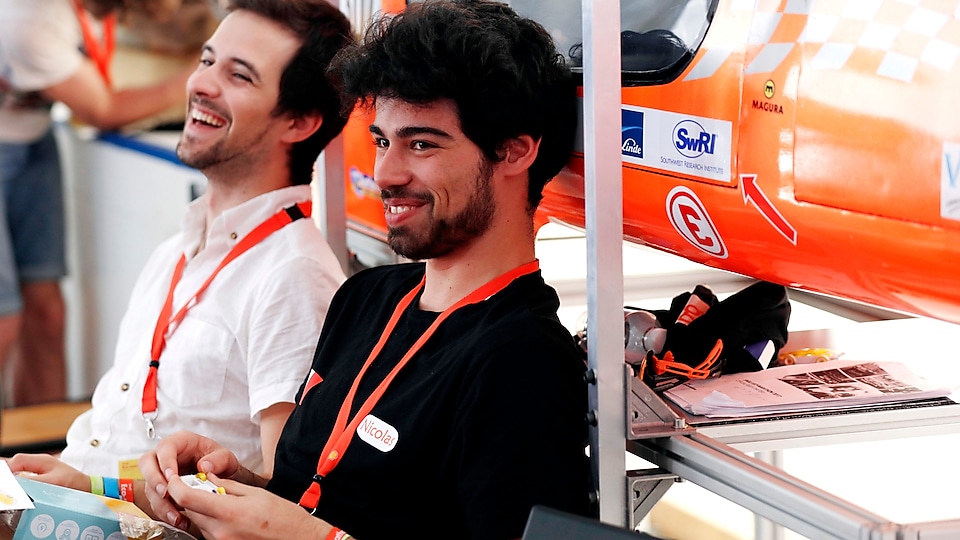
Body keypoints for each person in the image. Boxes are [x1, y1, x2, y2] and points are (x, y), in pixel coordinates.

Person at [138, 1, 592, 538]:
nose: (385, 172)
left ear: (514, 152)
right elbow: (321, 501)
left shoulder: (522, 359)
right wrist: (236, 486)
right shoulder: (367, 296)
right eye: (381, 141)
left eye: (421, 144)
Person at [8, 0, 351, 498]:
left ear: (298, 122)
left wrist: (88, 488)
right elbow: (112, 435)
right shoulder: (177, 248)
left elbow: (279, 501)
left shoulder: (294, 275)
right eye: (207, 60)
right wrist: (51, 479)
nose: (200, 84)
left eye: (240, 76)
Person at [0, 0, 197, 406]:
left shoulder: (87, 11)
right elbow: (104, 109)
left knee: (48, 313)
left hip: (33, 139)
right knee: (4, 322)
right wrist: (204, 72)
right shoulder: (28, 19)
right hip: (14, 143)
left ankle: (42, 457)